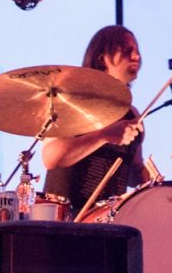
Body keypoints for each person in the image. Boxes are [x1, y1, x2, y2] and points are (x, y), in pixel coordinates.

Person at [42, 24, 147, 215]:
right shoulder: (73, 101)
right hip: (65, 219)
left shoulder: (132, 115)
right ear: (102, 58)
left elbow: (134, 172)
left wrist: (159, 186)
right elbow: (51, 157)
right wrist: (104, 135)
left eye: (137, 51)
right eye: (127, 50)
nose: (136, 56)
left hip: (109, 221)